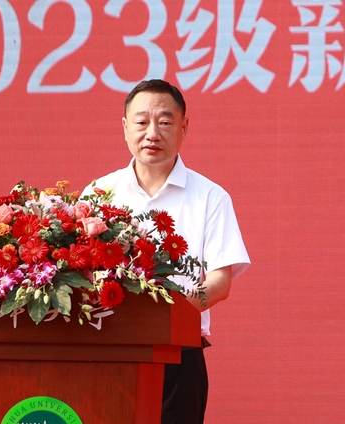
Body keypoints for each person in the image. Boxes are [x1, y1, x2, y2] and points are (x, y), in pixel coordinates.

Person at [84, 79, 250, 423]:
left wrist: (166, 315)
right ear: (125, 127)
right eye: (141, 122)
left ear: (184, 128)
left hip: (178, 354)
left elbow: (220, 282)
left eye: (164, 122)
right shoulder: (99, 193)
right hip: (108, 348)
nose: (152, 133)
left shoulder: (210, 197)